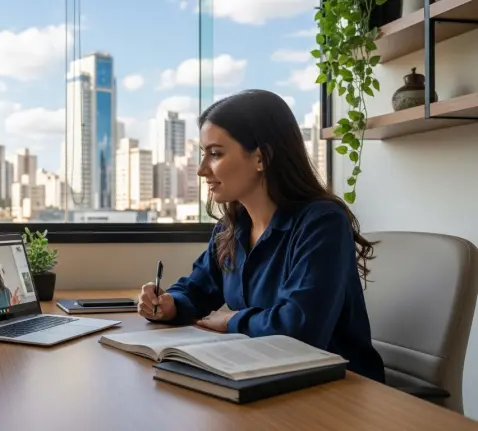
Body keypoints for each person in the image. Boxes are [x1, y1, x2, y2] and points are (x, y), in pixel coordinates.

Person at [138, 89, 386, 383]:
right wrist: (170, 304)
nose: (202, 170)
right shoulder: (231, 227)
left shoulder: (321, 222)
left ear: (261, 158)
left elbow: (300, 328)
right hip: (265, 374)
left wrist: (231, 320)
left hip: (337, 386)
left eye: (215, 154)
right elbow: (198, 288)